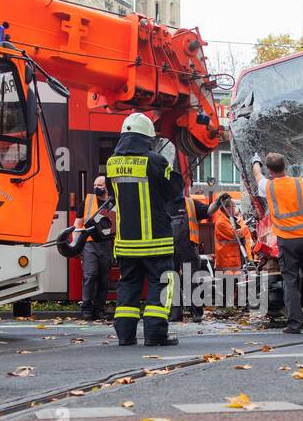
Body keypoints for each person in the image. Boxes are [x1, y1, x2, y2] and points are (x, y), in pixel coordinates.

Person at [106, 113, 181, 347]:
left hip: (126, 242)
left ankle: (125, 335)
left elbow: (112, 194)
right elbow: (173, 192)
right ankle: (155, 334)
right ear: (146, 138)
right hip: (155, 240)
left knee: (128, 284)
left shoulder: (111, 163)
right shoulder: (155, 160)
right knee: (162, 283)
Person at [253, 152, 303, 334]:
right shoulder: (301, 183)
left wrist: (255, 162)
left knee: (290, 281)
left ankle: (294, 324)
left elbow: (257, 176)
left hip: (286, 241)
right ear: (285, 166)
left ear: (270, 170)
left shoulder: (269, 186)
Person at [170, 189, 213, 323]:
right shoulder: (164, 203)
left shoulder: (190, 203)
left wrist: (217, 203)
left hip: (187, 247)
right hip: (171, 247)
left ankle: (195, 312)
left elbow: (208, 210)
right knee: (173, 280)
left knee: (192, 280)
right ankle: (176, 313)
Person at [79, 176, 113, 321]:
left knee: (103, 279)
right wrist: (77, 247)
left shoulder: (113, 203)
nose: (96, 187)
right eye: (94, 184)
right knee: (90, 275)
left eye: (99, 185)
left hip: (106, 244)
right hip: (89, 243)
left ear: (106, 187)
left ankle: (99, 309)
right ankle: (86, 309)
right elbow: (77, 224)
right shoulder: (87, 201)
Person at [211, 195, 254, 272]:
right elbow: (235, 235)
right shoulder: (221, 222)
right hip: (226, 262)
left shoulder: (229, 220)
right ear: (227, 208)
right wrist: (246, 228)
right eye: (233, 207)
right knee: (229, 283)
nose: (235, 209)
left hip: (231, 260)